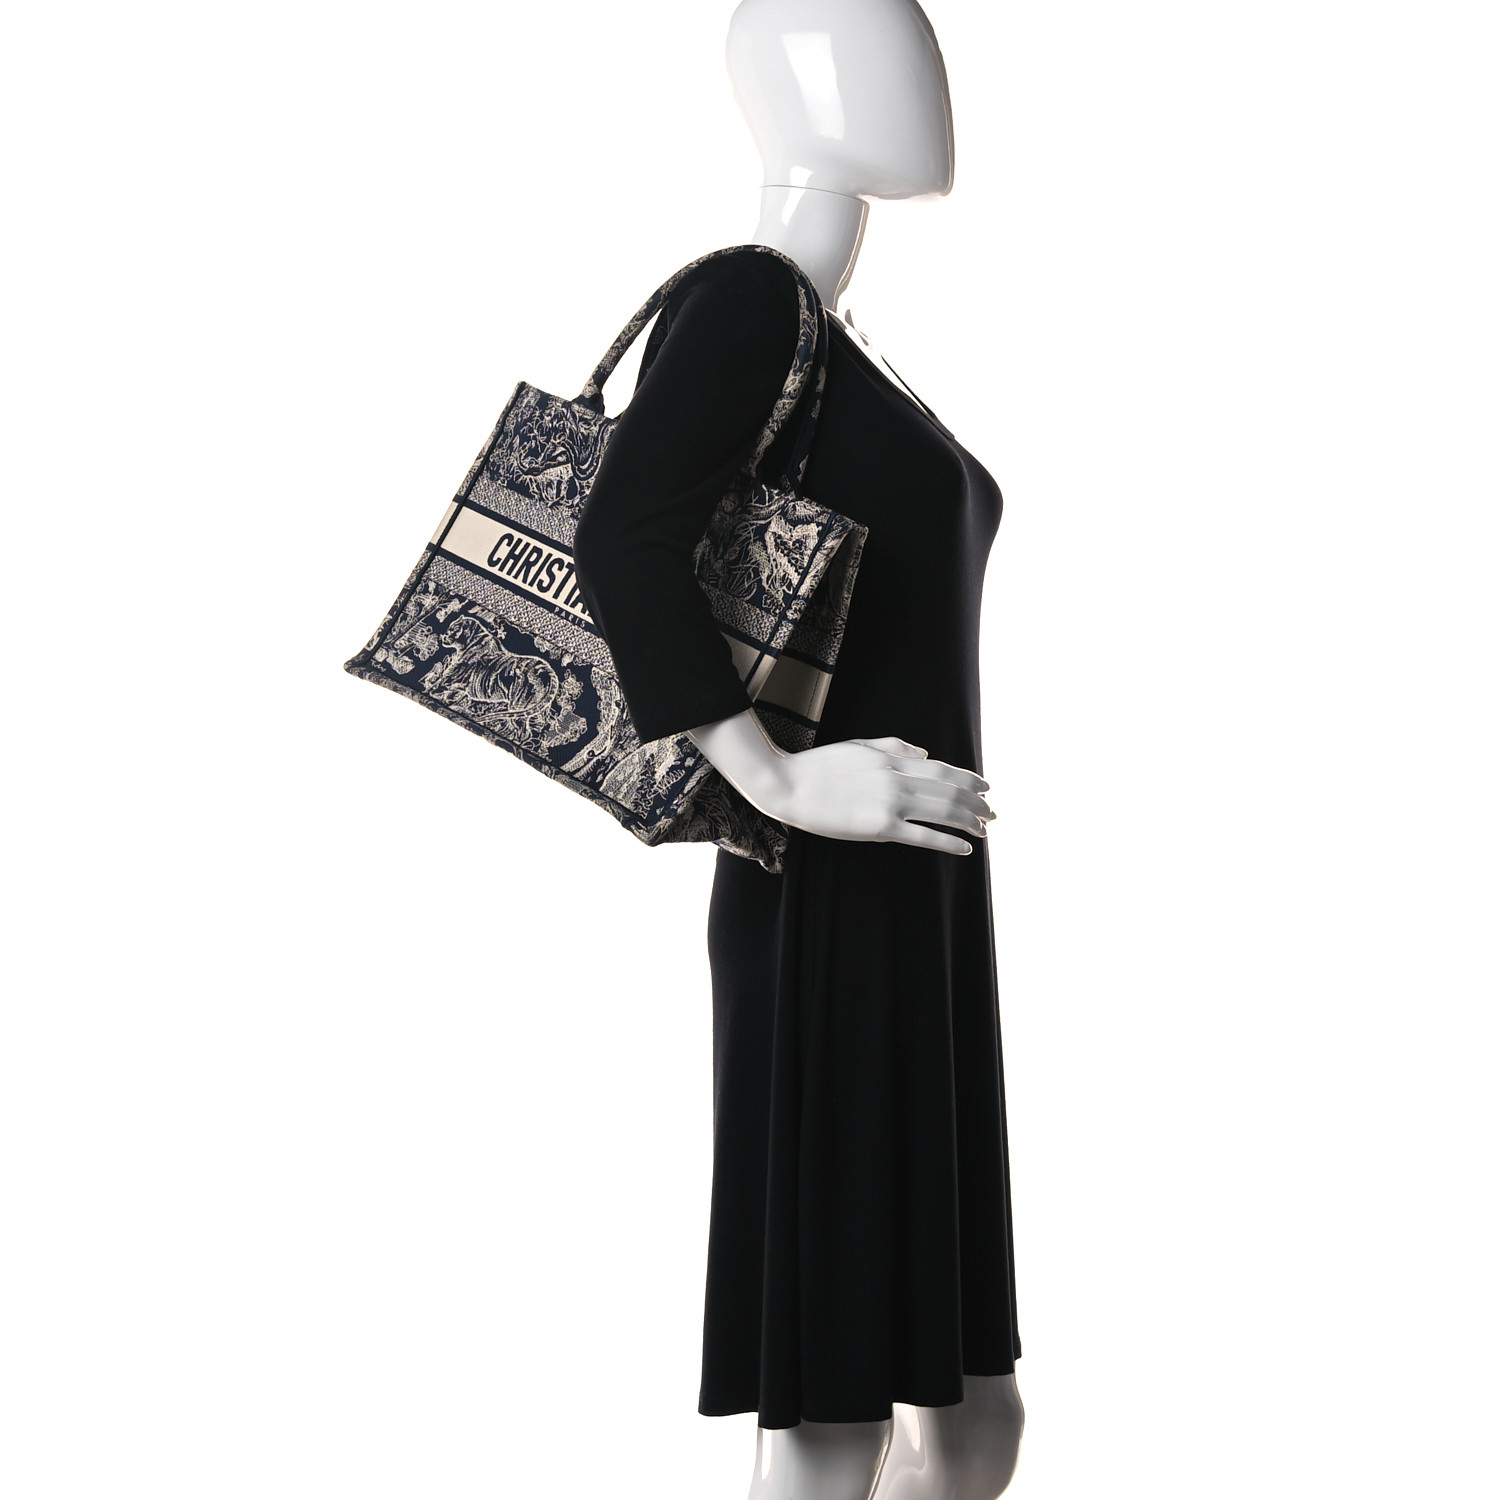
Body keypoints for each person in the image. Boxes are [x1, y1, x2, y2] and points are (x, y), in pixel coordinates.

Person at [572, 5, 1023, 1496]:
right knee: (835, 1418)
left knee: (973, 1413)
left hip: (923, 899)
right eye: (884, 35)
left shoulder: (826, 343)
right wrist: (771, 776)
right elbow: (623, 540)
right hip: (826, 894)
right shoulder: (749, 300)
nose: (921, 72)